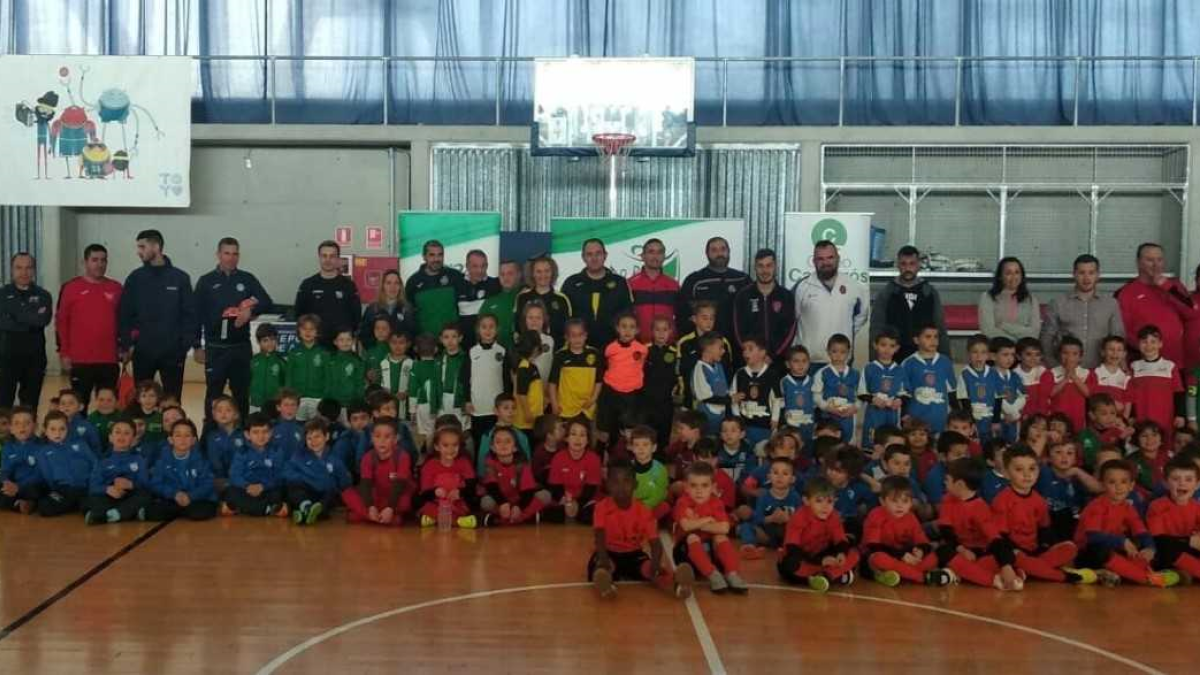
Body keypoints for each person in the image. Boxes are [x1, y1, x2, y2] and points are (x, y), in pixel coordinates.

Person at [193, 237, 273, 420]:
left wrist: (250, 311)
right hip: (215, 349)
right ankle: (210, 435)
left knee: (242, 395)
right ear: (218, 255)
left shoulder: (247, 279)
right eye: (226, 253)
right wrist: (197, 345)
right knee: (213, 396)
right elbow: (195, 315)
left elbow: (267, 302)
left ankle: (242, 433)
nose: (231, 258)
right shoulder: (206, 281)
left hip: (240, 348)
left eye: (235, 254)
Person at [589, 460, 694, 600]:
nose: (620, 486)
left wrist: (655, 564)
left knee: (649, 568)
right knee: (601, 568)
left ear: (635, 485)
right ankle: (607, 586)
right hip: (608, 552)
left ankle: (678, 585)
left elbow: (655, 542)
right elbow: (599, 536)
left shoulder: (643, 511)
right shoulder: (601, 507)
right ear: (607, 485)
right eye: (615, 482)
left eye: (626, 481)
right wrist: (603, 558)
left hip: (634, 554)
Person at [118, 230, 198, 400]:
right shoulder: (135, 278)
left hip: (173, 352)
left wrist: (183, 345)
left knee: (172, 400)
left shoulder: (180, 278)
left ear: (156, 246)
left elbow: (190, 315)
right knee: (142, 400)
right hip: (143, 352)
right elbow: (124, 314)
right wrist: (127, 344)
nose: (138, 251)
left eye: (142, 246)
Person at [56, 244, 123, 404]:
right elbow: (61, 322)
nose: (99, 264)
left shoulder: (116, 288)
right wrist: (64, 353)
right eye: (94, 260)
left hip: (109, 359)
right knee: (79, 406)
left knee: (108, 408)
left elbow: (125, 320)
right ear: (84, 262)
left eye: (103, 260)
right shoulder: (70, 288)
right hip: (80, 360)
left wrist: (125, 347)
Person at [671, 461, 749, 594]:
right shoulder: (682, 502)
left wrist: (698, 523)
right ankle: (712, 575)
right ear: (686, 487)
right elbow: (686, 525)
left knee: (720, 537)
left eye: (704, 485)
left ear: (713, 487)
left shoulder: (716, 502)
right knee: (692, 536)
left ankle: (732, 573)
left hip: (710, 551)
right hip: (685, 553)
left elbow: (724, 528)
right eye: (694, 485)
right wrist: (707, 520)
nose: (699, 490)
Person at [863, 477, 955, 587]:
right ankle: (924, 577)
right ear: (882, 501)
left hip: (904, 558)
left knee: (935, 554)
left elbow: (923, 542)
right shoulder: (875, 515)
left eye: (905, 501)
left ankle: (904, 574)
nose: (900, 505)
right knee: (879, 559)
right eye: (894, 501)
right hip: (879, 554)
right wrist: (901, 555)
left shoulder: (911, 517)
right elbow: (873, 546)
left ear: (911, 503)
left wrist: (920, 551)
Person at [1116, 242, 1196, 365]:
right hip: (1143, 363)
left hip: (1176, 362)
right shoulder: (1126, 293)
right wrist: (1148, 350)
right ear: (1138, 262)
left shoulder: (1174, 286)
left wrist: (1167, 287)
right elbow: (1122, 332)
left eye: (1159, 260)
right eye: (1150, 260)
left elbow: (1191, 313)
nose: (1156, 265)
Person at [777, 476, 861, 591]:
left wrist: (841, 553)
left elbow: (840, 540)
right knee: (790, 566)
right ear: (806, 501)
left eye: (830, 501)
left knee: (853, 553)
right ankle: (832, 575)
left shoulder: (834, 516)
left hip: (821, 554)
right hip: (801, 557)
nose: (825, 507)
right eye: (819, 501)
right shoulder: (798, 517)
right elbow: (792, 548)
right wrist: (821, 561)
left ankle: (826, 576)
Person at [1040, 254, 1124, 368]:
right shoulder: (1057, 303)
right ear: (1074, 274)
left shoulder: (1111, 304)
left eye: (1091, 273)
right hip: (1065, 371)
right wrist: (1053, 366)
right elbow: (1046, 338)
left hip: (1100, 371)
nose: (1086, 278)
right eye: (1081, 273)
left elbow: (1118, 337)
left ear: (1098, 275)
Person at [794, 240, 869, 365]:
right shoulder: (802, 287)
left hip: (842, 361)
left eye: (830, 257)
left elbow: (861, 316)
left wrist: (845, 330)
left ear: (838, 259)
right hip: (809, 361)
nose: (826, 263)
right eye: (820, 259)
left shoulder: (854, 287)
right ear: (814, 261)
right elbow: (794, 318)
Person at [871, 245, 948, 362]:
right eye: (903, 264)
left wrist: (946, 359)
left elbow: (940, 327)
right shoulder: (886, 293)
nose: (908, 268)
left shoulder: (929, 293)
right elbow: (876, 328)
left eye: (912, 264)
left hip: (924, 357)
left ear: (918, 265)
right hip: (893, 357)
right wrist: (874, 360)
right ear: (898, 265)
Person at [0, 252, 53, 412]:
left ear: (34, 270)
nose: (24, 272)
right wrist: (30, 315)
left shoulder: (43, 295)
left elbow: (42, 320)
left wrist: (13, 314)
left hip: (34, 359)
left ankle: (28, 437)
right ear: (12, 270)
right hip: (6, 359)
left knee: (30, 406)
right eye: (19, 268)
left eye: (28, 268)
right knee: (3, 406)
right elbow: (5, 323)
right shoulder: (2, 295)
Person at [561, 239, 633, 348]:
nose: (594, 258)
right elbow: (564, 318)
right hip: (579, 349)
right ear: (583, 257)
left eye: (598, 253)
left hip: (614, 347)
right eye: (589, 254)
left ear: (605, 255)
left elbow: (628, 315)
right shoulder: (571, 283)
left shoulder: (620, 283)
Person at [676, 236, 750, 339]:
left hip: (736, 344)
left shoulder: (742, 279)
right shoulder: (694, 281)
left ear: (729, 252)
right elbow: (683, 315)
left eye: (723, 249)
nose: (719, 254)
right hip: (704, 345)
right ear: (707, 254)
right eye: (714, 250)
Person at [342, 417, 413, 526]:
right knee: (347, 494)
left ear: (396, 439)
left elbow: (400, 484)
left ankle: (367, 516)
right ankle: (376, 516)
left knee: (405, 502)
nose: (382, 441)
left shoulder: (402, 456)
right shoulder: (368, 457)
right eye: (377, 436)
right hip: (376, 497)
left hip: (395, 496)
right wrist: (371, 507)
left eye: (387, 437)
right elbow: (366, 484)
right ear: (372, 438)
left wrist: (390, 508)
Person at [283, 417, 351, 526]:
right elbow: (287, 472)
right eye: (309, 438)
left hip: (323, 496)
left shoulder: (335, 460)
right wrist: (305, 479)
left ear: (327, 436)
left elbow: (345, 482)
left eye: (317, 437)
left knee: (331, 494)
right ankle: (306, 507)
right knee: (294, 488)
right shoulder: (299, 456)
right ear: (305, 440)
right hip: (306, 492)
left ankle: (306, 513)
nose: (313, 441)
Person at [145, 419, 218, 521]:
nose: (182, 439)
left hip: (196, 500)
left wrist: (191, 496)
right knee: (153, 512)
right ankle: (180, 510)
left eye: (187, 435)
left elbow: (208, 484)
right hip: (173, 498)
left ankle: (178, 511)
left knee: (201, 512)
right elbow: (156, 484)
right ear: (170, 439)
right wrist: (174, 494)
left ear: (193, 440)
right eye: (178, 435)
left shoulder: (201, 459)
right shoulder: (162, 460)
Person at [293, 240, 361, 348]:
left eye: (332, 256)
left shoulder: (348, 286)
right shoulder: (307, 285)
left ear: (338, 259)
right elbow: (299, 316)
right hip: (315, 347)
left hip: (341, 346)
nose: (328, 260)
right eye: (324, 256)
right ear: (319, 258)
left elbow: (356, 317)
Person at [84, 419, 153, 525]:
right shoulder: (102, 461)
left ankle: (113, 515)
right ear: (110, 437)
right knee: (91, 498)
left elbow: (145, 484)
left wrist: (131, 485)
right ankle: (117, 514)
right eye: (117, 432)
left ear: (134, 439)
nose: (122, 436)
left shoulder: (139, 459)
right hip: (109, 496)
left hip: (130, 496)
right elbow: (93, 486)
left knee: (145, 496)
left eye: (126, 433)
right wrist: (107, 489)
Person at [732, 248, 795, 360]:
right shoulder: (743, 296)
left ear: (776, 267)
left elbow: (790, 330)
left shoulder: (786, 296)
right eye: (760, 266)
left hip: (777, 362)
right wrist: (752, 353)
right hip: (750, 360)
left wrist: (773, 355)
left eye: (769, 265)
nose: (764, 270)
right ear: (755, 268)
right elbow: (738, 330)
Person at [223, 412, 286, 517]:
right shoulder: (241, 452)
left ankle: (243, 509)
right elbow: (234, 475)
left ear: (271, 433)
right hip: (246, 490)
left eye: (265, 432)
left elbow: (279, 475)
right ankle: (267, 509)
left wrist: (263, 486)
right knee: (231, 491)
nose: (261, 436)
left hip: (267, 489)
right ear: (247, 435)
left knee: (280, 491)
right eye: (255, 432)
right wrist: (247, 486)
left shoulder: (276, 451)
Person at [406, 240, 465, 339]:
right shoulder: (413, 282)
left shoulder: (455, 276)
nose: (436, 259)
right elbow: (409, 315)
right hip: (426, 343)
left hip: (452, 342)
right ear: (424, 257)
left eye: (440, 255)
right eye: (432, 255)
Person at [978, 256, 1041, 344]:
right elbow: (988, 331)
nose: (1013, 277)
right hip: (997, 350)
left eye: (1017, 272)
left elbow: (1034, 333)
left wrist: (1004, 326)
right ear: (1000, 276)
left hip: (1023, 352)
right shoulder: (987, 297)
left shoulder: (1031, 299)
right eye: (1008, 273)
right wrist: (1012, 344)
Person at [628, 238, 680, 343]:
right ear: (642, 256)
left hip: (667, 346)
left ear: (664, 257)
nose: (655, 256)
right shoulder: (629, 284)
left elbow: (680, 317)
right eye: (651, 252)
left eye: (659, 252)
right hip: (637, 345)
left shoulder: (674, 285)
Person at [516, 256, 571, 344]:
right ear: (532, 274)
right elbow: (517, 327)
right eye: (538, 271)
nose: (543, 275)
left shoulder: (562, 299)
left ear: (553, 273)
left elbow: (568, 329)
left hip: (556, 352)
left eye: (547, 271)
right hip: (529, 353)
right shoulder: (522, 298)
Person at [358, 270, 415, 351]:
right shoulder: (373, 308)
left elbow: (411, 334)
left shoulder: (407, 308)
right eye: (388, 283)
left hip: (399, 356)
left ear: (400, 287)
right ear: (383, 286)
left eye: (396, 283)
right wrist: (376, 350)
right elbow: (364, 334)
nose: (393, 287)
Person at [455, 249, 501, 348]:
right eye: (475, 266)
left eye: (483, 266)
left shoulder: (496, 285)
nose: (480, 270)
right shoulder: (457, 285)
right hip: (466, 346)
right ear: (467, 266)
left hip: (491, 346)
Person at [479, 260, 522, 350]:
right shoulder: (490, 302)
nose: (506, 277)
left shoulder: (526, 297)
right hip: (496, 354)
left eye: (510, 273)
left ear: (518, 275)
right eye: (502, 274)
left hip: (523, 353)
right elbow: (480, 330)